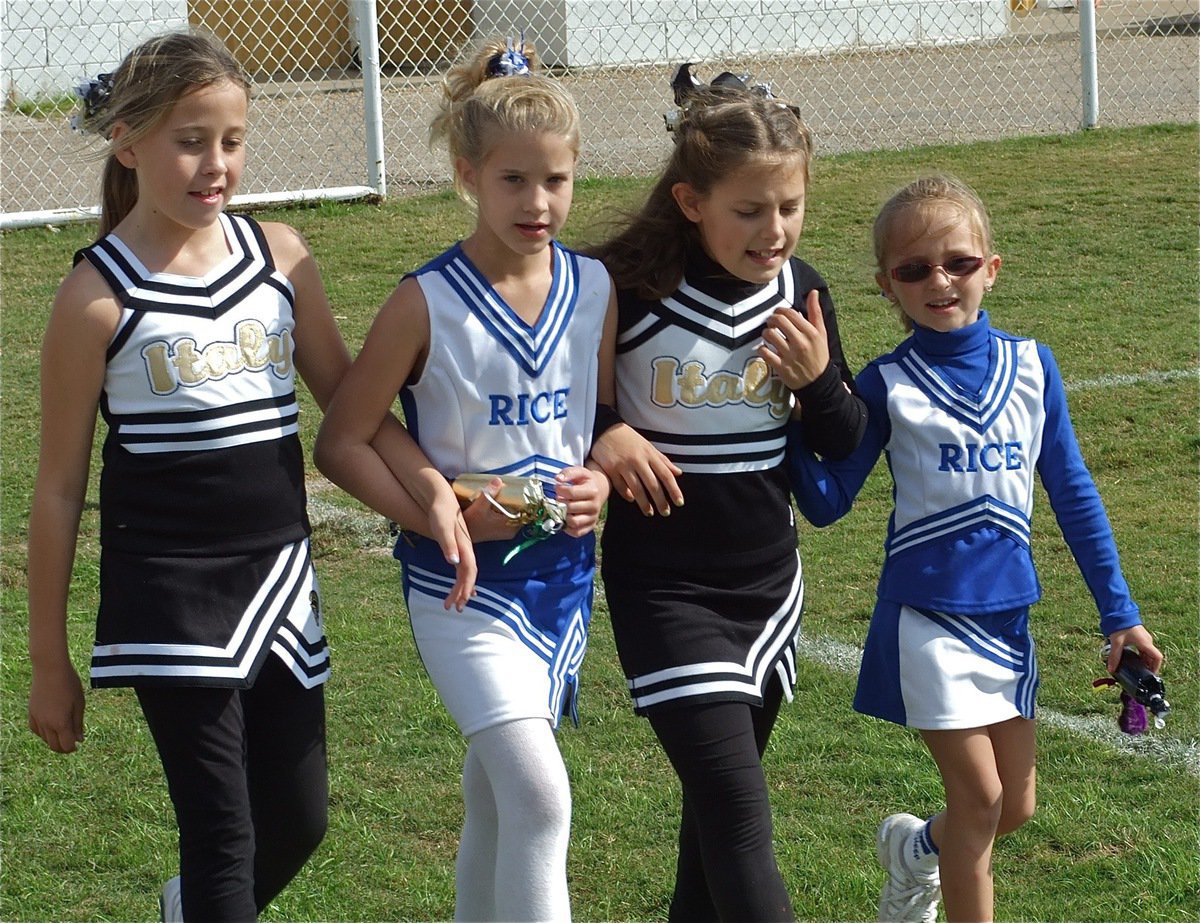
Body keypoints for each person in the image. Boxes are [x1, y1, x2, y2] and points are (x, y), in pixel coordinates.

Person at [24, 29, 470, 922]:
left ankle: (180, 909)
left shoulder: (281, 257)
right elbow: (59, 488)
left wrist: (428, 487)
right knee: (222, 837)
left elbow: (350, 405)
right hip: (171, 595)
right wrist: (48, 660)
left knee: (299, 821)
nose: (216, 164)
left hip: (280, 585)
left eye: (232, 140)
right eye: (191, 141)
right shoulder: (97, 296)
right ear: (127, 142)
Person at [787, 174, 1163, 923]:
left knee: (1014, 806)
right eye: (914, 269)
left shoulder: (1033, 368)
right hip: (925, 619)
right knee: (981, 798)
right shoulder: (887, 383)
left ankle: (914, 851)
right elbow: (828, 504)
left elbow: (1074, 493)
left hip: (1008, 619)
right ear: (886, 286)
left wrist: (1119, 612)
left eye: (958, 262)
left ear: (992, 267)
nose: (939, 281)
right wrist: (792, 416)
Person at [313, 36, 612, 922]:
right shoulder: (425, 300)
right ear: (467, 174)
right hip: (461, 590)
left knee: (495, 795)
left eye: (555, 179)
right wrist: (434, 514)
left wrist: (599, 478)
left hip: (564, 579)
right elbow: (341, 440)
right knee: (540, 796)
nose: (536, 201)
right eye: (513, 180)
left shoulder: (596, 287)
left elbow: (601, 422)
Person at [584, 72, 867, 922]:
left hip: (769, 587)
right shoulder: (622, 286)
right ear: (691, 201)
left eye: (790, 206)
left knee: (710, 830)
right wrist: (605, 430)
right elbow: (556, 404)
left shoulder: (801, 290)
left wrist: (818, 382)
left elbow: (845, 440)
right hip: (665, 588)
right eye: (748, 210)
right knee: (740, 817)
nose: (773, 230)